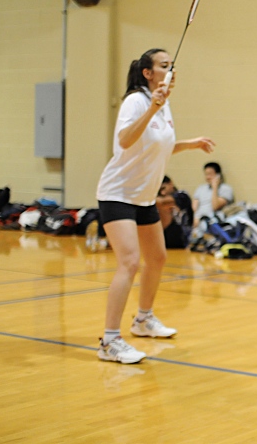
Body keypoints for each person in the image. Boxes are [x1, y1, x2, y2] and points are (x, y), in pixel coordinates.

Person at [95, 48, 215, 364]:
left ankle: (143, 319)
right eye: (164, 65)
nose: (171, 70)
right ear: (148, 73)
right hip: (118, 194)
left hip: (144, 197)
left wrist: (190, 144)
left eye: (172, 65)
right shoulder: (136, 101)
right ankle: (109, 341)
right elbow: (125, 140)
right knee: (129, 263)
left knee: (158, 258)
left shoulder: (163, 104)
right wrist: (152, 108)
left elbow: (158, 146)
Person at [192, 162, 234, 228]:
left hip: (213, 223)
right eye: (206, 174)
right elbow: (194, 208)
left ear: (218, 175)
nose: (207, 177)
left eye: (210, 174)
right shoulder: (200, 188)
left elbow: (215, 207)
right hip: (198, 223)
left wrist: (215, 188)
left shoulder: (226, 189)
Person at [156, 175, 193, 249]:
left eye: (163, 188)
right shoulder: (158, 200)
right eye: (160, 190)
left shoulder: (182, 195)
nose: (162, 193)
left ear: (171, 183)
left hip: (183, 240)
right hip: (164, 240)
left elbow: (162, 202)